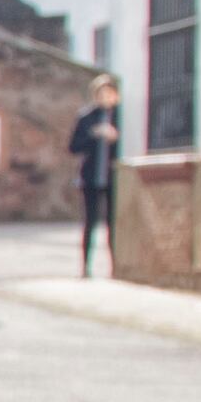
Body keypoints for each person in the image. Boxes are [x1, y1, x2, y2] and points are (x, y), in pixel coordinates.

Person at [69, 70, 123, 275]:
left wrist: (115, 137)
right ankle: (85, 266)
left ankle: (115, 266)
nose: (105, 98)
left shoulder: (120, 117)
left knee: (112, 223)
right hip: (91, 177)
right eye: (101, 93)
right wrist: (93, 135)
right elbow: (73, 146)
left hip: (113, 177)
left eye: (109, 93)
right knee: (90, 222)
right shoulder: (87, 117)